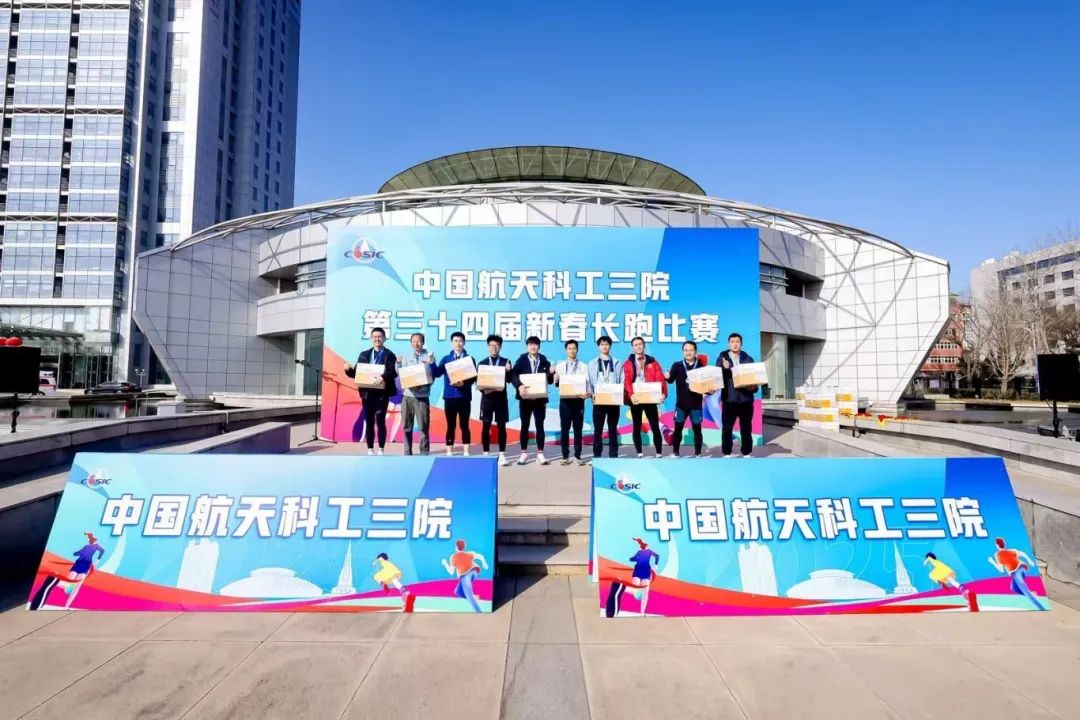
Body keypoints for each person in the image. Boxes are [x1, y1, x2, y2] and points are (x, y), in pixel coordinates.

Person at [344, 327, 397, 455]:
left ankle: (381, 448)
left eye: (380, 336)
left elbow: (392, 372)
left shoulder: (390, 354)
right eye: (375, 337)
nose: (377, 339)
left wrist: (382, 377)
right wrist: (348, 370)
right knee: (369, 421)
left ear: (384, 338)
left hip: (382, 394)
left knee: (380, 421)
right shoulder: (364, 354)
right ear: (371, 338)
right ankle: (370, 449)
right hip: (367, 394)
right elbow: (357, 373)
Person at [29, 531, 104, 610]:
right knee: (73, 586)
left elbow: (79, 553)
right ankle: (56, 582)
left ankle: (65, 604)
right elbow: (79, 553)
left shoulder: (91, 546)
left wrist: (93, 559)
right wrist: (95, 559)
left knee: (74, 586)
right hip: (82, 564)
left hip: (82, 564)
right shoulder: (90, 546)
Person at [621, 336, 667, 458]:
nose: (638, 346)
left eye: (640, 344)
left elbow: (660, 378)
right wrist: (631, 395)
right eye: (635, 345)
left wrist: (663, 393)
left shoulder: (653, 362)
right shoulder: (628, 363)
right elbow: (627, 381)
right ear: (632, 348)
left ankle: (658, 453)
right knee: (636, 426)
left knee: (655, 426)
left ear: (644, 345)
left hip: (650, 397)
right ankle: (639, 453)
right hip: (635, 398)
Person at [432, 331, 476, 456]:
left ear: (464, 343)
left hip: (464, 397)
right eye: (455, 341)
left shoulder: (469, 359)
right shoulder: (446, 359)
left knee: (464, 424)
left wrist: (464, 384)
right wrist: (431, 362)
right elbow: (437, 373)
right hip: (450, 397)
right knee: (450, 425)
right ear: (451, 343)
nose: (458, 343)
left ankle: (466, 451)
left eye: (460, 341)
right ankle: (449, 451)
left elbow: (474, 377)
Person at [511, 336, 552, 465]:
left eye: (535, 344)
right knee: (525, 425)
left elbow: (550, 381)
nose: (533, 347)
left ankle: (540, 453)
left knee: (540, 425)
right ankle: (524, 453)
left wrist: (551, 373)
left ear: (539, 346)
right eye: (530, 344)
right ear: (527, 346)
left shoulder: (544, 361)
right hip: (525, 398)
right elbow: (513, 375)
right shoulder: (521, 360)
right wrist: (519, 386)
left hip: (540, 399)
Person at [716, 332, 757, 458]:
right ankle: (727, 452)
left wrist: (753, 388)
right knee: (727, 428)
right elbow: (717, 377)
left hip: (746, 400)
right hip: (729, 400)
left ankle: (746, 452)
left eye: (737, 342)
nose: (735, 344)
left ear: (741, 344)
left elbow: (754, 380)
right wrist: (724, 368)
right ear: (729, 344)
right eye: (732, 342)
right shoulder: (722, 358)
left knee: (746, 428)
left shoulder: (748, 359)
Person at [665, 341, 706, 457]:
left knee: (697, 430)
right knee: (678, 429)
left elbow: (706, 384)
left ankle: (698, 453)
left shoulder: (701, 366)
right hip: (681, 405)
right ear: (683, 352)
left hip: (696, 405)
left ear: (695, 351)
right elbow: (670, 380)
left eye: (691, 350)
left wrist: (710, 390)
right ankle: (676, 452)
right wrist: (667, 377)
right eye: (686, 350)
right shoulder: (677, 365)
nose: (688, 352)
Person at [478, 334, 513, 466]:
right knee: (486, 426)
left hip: (501, 400)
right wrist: (484, 390)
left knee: (501, 427)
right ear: (488, 347)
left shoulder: (506, 361)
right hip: (487, 399)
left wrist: (508, 371)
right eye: (492, 345)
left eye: (497, 345)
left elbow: (509, 380)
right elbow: (479, 383)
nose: (494, 347)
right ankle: (486, 453)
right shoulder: (482, 363)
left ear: (500, 347)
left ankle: (502, 454)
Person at [396, 332, 434, 455]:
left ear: (423, 342)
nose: (416, 344)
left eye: (419, 341)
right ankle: (407, 452)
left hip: (422, 396)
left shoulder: (429, 356)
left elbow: (433, 375)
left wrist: (431, 362)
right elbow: (401, 374)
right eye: (414, 341)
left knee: (423, 426)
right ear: (411, 343)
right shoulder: (406, 357)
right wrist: (398, 364)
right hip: (408, 396)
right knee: (407, 426)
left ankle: (424, 452)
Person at [553, 339, 589, 466]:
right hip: (565, 401)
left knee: (578, 429)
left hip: (578, 401)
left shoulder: (584, 366)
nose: (572, 351)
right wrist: (555, 377)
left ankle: (577, 455)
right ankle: (565, 455)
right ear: (566, 350)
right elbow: (556, 383)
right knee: (565, 429)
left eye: (574, 348)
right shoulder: (560, 366)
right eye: (569, 348)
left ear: (577, 350)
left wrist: (587, 393)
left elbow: (587, 384)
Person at [587, 336, 623, 459]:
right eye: (602, 344)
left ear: (610, 346)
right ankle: (597, 455)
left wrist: (619, 393)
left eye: (606, 344)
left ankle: (613, 456)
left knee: (613, 429)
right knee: (598, 430)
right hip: (599, 400)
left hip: (613, 401)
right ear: (598, 346)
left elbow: (622, 379)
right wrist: (591, 394)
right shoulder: (592, 363)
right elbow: (589, 381)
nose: (604, 346)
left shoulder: (617, 362)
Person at [988, 537, 1045, 610]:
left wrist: (992, 562)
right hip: (1022, 569)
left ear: (997, 545)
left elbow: (1001, 570)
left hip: (1017, 572)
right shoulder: (1011, 551)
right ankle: (1032, 594)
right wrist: (1029, 561)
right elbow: (1023, 554)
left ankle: (1041, 607)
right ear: (1004, 544)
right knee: (1014, 588)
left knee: (1025, 591)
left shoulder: (997, 555)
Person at [441, 539, 489, 613]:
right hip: (474, 572)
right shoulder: (468, 554)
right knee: (458, 591)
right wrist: (484, 563)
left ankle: (479, 612)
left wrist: (445, 564)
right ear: (464, 546)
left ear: (456, 547)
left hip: (465, 575)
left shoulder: (453, 557)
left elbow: (451, 572)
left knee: (469, 596)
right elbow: (480, 556)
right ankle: (474, 597)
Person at [629, 537, 660, 617]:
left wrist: (656, 566)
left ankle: (642, 613)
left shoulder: (647, 551)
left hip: (645, 572)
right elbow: (631, 559)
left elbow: (657, 556)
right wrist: (637, 559)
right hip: (639, 571)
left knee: (645, 593)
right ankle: (624, 588)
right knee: (636, 589)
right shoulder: (640, 552)